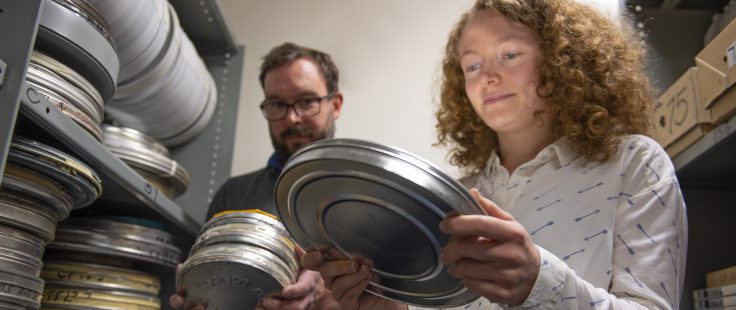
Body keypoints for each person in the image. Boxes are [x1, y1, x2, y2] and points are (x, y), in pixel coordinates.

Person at [301, 0, 688, 309]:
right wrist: (393, 306)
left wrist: (539, 282)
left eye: (509, 55)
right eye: (471, 64)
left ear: (561, 61)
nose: (486, 76)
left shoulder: (635, 164)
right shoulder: (454, 197)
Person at [170, 42, 343, 310]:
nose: (293, 118)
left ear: (336, 104)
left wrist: (326, 296)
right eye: (277, 104)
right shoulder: (233, 194)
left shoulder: (369, 201)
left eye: (307, 101)